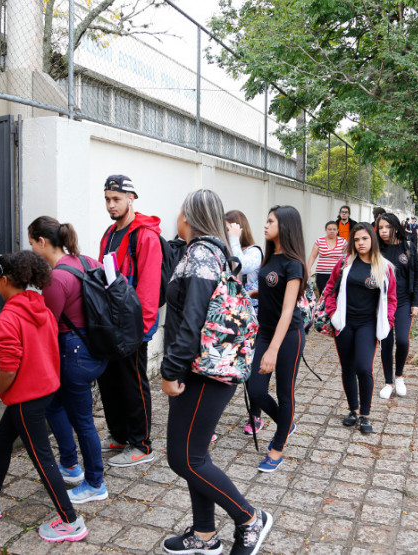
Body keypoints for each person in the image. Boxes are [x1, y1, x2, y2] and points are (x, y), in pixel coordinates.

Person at [161, 189, 274, 555]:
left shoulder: (200, 256)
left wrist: (169, 370)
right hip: (209, 367)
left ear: (189, 217)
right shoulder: (217, 255)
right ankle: (206, 534)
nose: (176, 217)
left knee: (184, 458)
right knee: (194, 455)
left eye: (179, 211)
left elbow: (190, 322)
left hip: (203, 371)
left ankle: (249, 518)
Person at [0, 251, 88, 543]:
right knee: (1, 439)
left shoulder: (8, 318)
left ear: (5, 280)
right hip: (44, 390)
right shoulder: (39, 305)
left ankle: (71, 521)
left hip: (24, 398)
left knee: (42, 458)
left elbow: (8, 369)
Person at [28, 216, 108, 504]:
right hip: (96, 347)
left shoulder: (57, 278)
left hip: (73, 354)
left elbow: (45, 323)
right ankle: (70, 465)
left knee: (83, 420)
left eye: (32, 244)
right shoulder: (86, 261)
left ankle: (95, 482)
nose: (33, 251)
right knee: (55, 404)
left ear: (42, 242)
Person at [97, 175, 163, 468]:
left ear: (131, 198)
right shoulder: (109, 233)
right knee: (110, 382)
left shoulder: (145, 236)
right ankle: (121, 436)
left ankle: (141, 444)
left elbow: (148, 287)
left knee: (134, 383)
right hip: (110, 323)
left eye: (117, 199)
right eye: (108, 199)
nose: (111, 205)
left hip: (133, 327)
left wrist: (142, 329)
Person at [246, 205, 307, 473]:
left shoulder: (294, 264)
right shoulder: (271, 257)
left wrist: (272, 350)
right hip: (265, 330)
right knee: (255, 388)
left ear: (284, 226)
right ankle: (287, 422)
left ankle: (277, 447)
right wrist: (253, 295)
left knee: (285, 393)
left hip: (288, 336)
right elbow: (272, 289)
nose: (265, 225)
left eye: (270, 221)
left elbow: (287, 310)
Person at [323, 223, 397, 434]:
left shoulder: (385, 267)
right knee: (348, 368)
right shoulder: (345, 262)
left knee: (364, 368)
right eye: (356, 239)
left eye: (364, 238)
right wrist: (332, 312)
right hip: (344, 323)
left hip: (368, 324)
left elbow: (391, 298)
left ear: (372, 239)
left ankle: (365, 414)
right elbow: (329, 288)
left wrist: (389, 321)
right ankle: (353, 411)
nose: (360, 243)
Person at [224, 209, 267, 436]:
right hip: (235, 317)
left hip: (255, 320)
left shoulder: (255, 252)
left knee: (253, 369)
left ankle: (256, 416)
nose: (227, 232)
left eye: (231, 228)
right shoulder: (228, 250)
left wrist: (233, 239)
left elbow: (242, 266)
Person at [376, 214, 418, 399]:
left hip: (404, 301)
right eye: (380, 228)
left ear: (396, 227)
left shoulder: (408, 247)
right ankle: (388, 382)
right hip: (382, 304)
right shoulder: (377, 249)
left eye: (387, 227)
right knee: (386, 342)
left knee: (403, 340)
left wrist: (416, 303)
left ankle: (399, 377)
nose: (383, 231)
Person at [307, 220, 348, 295]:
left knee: (336, 294)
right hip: (322, 274)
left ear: (337, 230)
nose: (332, 231)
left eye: (334, 229)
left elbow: (347, 257)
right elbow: (313, 256)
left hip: (337, 274)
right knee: (324, 295)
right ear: (326, 230)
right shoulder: (319, 241)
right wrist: (308, 268)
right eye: (329, 229)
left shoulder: (343, 241)